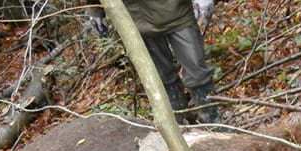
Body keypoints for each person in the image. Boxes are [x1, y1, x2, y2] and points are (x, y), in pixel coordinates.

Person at [89, 0, 220, 123]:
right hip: (136, 20)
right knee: (163, 77)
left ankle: (212, 121)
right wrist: (95, 9)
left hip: (177, 13)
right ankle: (179, 123)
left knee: (197, 72)